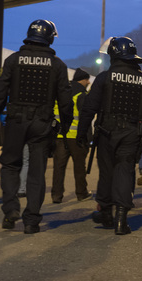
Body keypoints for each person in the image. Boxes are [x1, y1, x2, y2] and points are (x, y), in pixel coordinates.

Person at [0, 19, 73, 234]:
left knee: (10, 166)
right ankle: (32, 220)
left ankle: (10, 210)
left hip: (15, 121)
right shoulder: (58, 65)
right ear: (50, 38)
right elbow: (65, 101)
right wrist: (64, 126)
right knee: (36, 173)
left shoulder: (13, 60)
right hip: (42, 124)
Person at [77, 37, 142, 235]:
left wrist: (82, 133)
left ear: (113, 55)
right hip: (132, 133)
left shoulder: (105, 78)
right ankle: (121, 219)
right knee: (125, 171)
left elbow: (89, 108)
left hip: (106, 131)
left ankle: (105, 213)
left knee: (107, 172)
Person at [51, 68, 93, 203]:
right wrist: (88, 138)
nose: (88, 83)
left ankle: (56, 195)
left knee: (58, 166)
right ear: (84, 80)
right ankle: (81, 193)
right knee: (79, 167)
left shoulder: (62, 91)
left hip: (59, 136)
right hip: (75, 137)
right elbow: (85, 118)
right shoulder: (81, 94)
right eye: (88, 80)